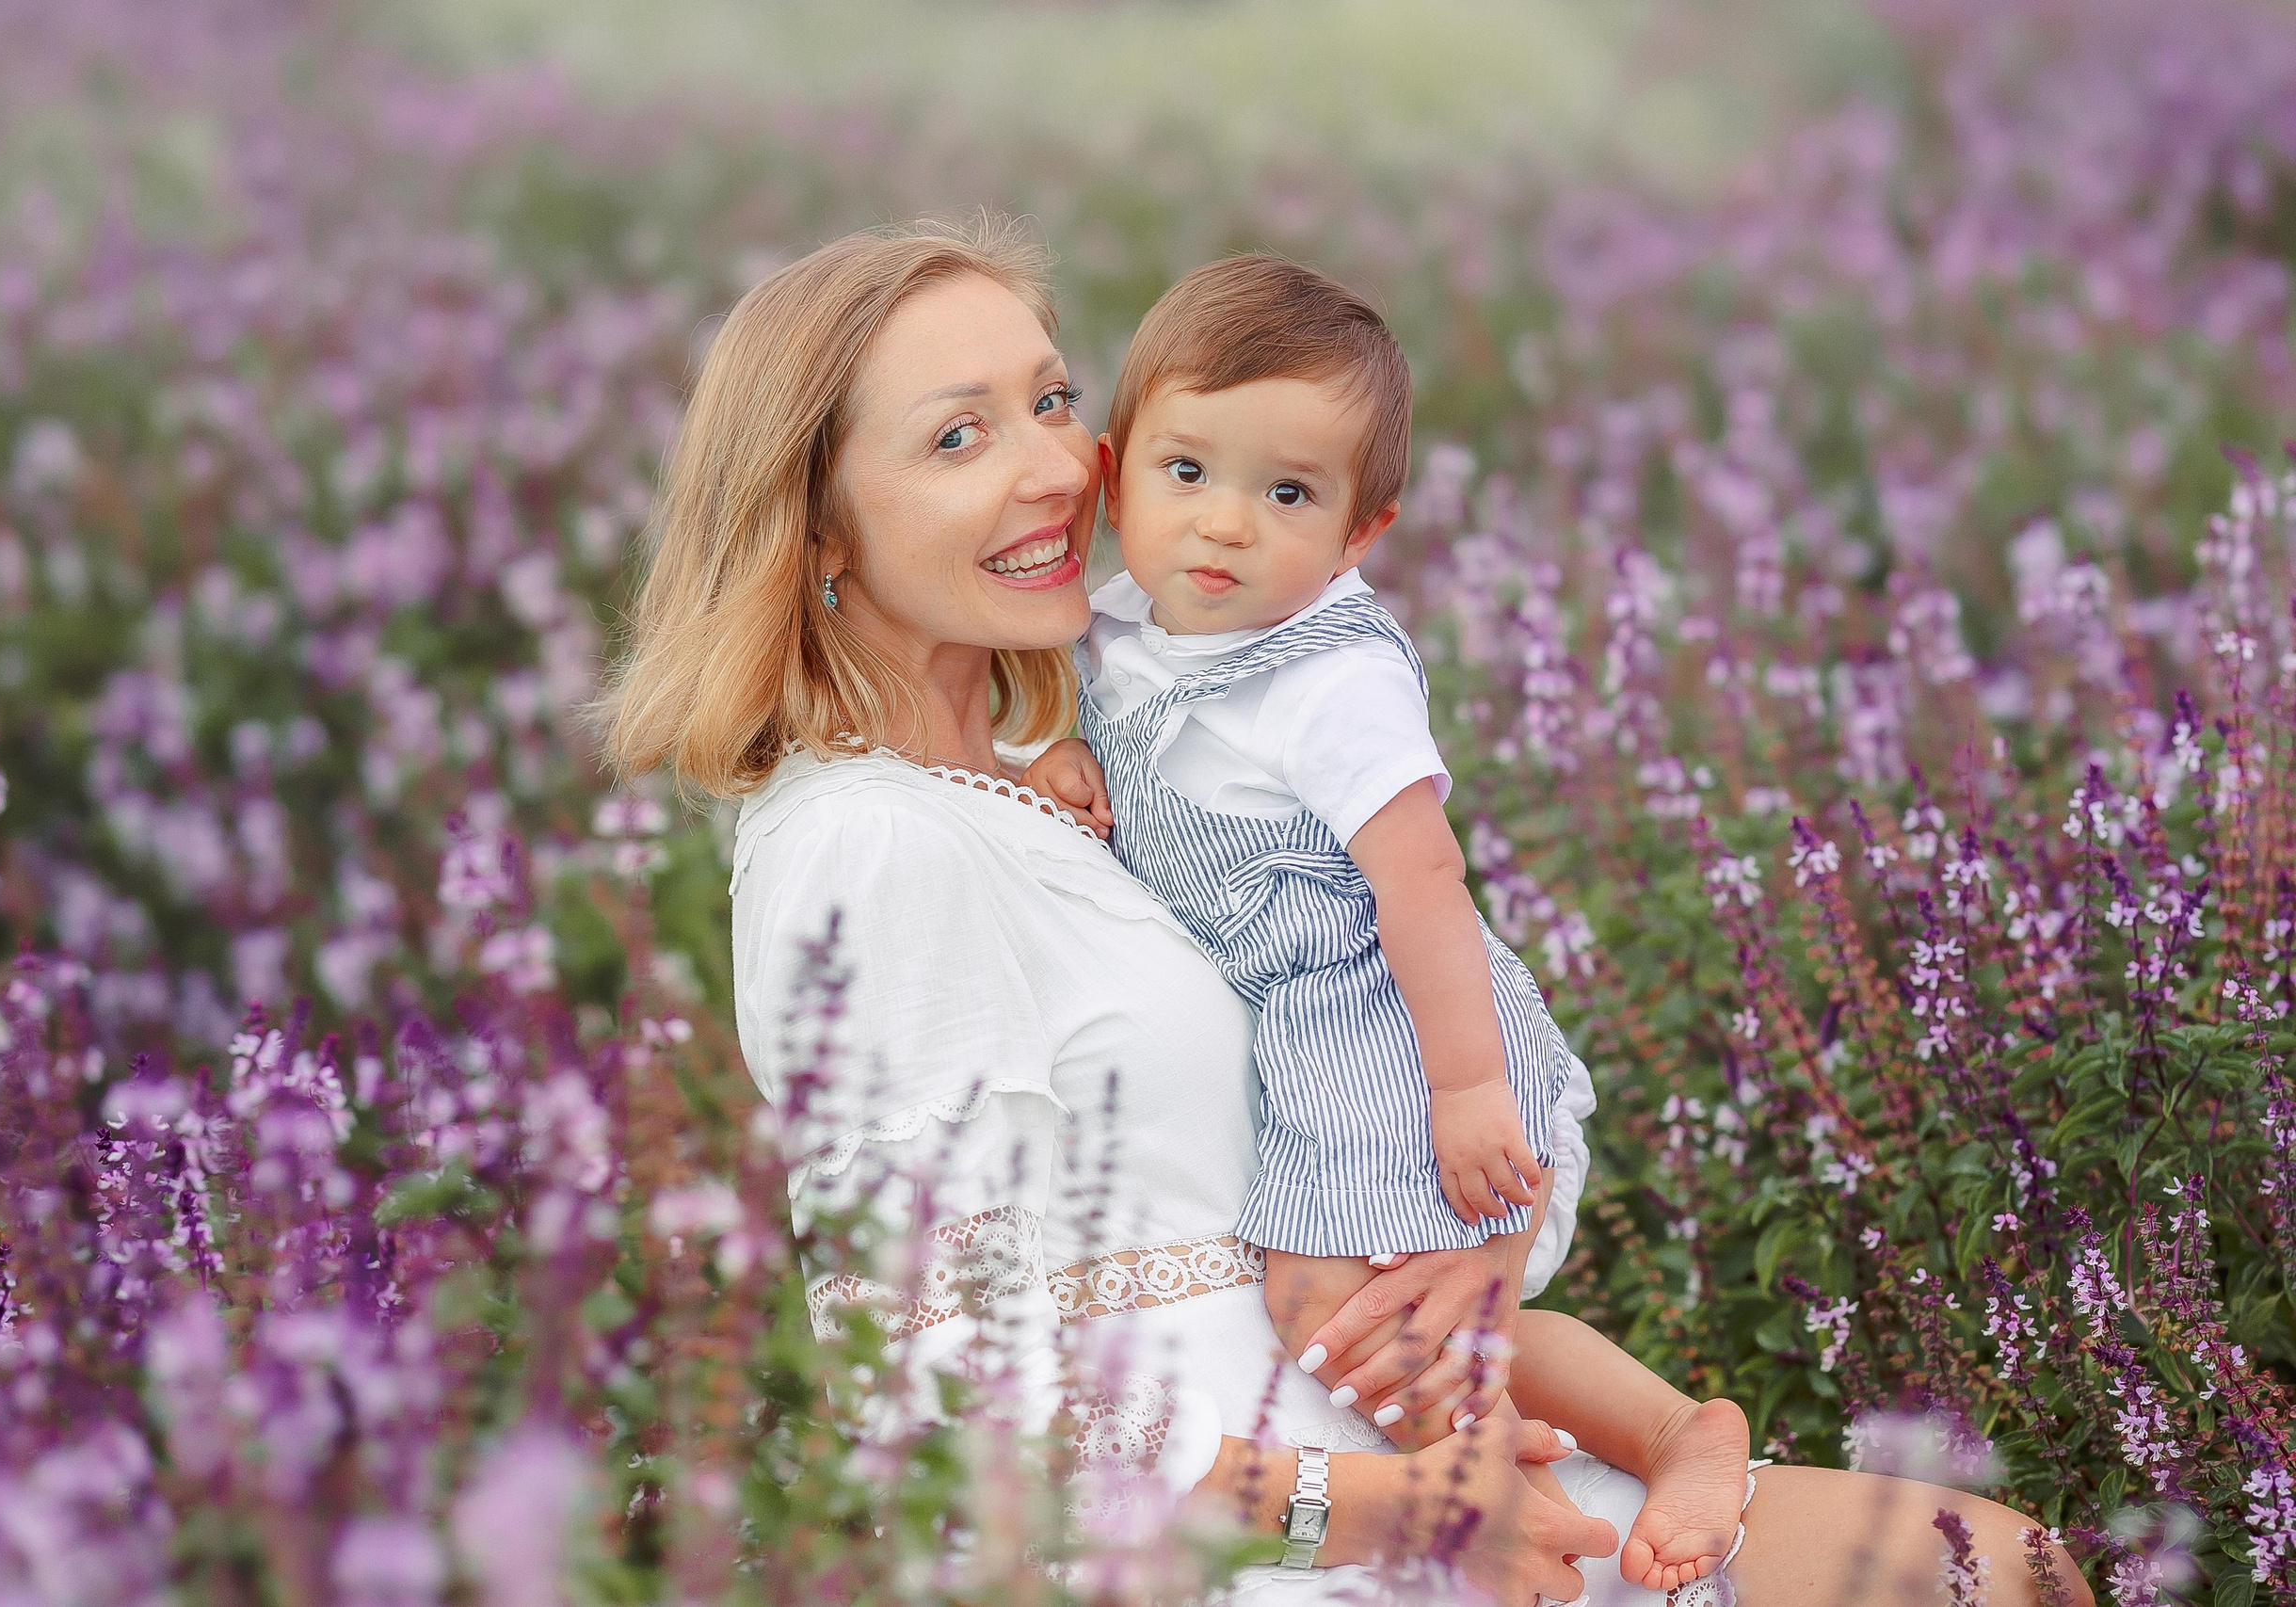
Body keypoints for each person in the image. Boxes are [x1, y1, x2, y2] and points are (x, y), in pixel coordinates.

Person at [601, 216, 2095, 1607]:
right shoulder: (866, 844)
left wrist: (1469, 1251)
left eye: (1052, 401)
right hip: (1249, 1533)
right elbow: (949, 1417)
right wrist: (1394, 1510)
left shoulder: (1064, 770)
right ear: (819, 531)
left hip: (1394, 1434)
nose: (1057, 468)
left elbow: (1344, 1040)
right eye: (957, 435)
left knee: (2004, 1571)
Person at [1015, 251, 1752, 1590]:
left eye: (1288, 494)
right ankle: (1664, 1433)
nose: (1225, 525)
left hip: (1380, 1020)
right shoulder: (1120, 628)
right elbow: (1102, 720)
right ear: (1116, 479)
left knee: (1330, 1307)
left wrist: (1467, 1088)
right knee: (1421, 1304)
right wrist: (1068, 751)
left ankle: (1502, 1507)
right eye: (1188, 472)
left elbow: (1423, 881)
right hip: (1307, 1031)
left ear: (1363, 532)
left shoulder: (1331, 678)